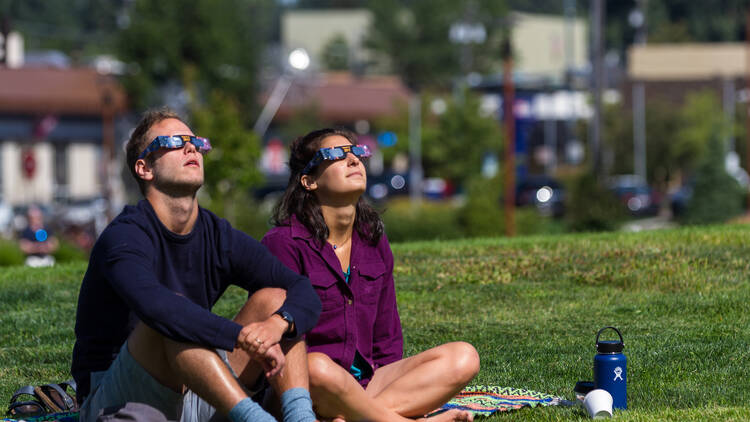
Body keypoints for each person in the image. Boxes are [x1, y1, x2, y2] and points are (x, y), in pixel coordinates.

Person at [71, 108, 321, 422]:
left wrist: (276, 325)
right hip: (120, 399)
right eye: (175, 142)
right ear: (144, 168)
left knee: (277, 299)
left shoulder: (218, 235)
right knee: (170, 315)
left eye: (194, 141)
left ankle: (302, 418)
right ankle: (254, 419)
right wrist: (240, 336)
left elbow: (302, 289)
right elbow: (159, 310)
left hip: (197, 387)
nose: (191, 148)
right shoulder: (124, 237)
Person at [261, 128, 480, 422]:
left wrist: (399, 382)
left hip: (366, 384)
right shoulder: (283, 243)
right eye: (336, 155)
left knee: (464, 357)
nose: (353, 160)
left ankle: (360, 415)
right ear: (309, 180)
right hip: (307, 383)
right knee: (317, 366)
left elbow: (387, 337)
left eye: (357, 153)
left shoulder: (372, 239)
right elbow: (278, 343)